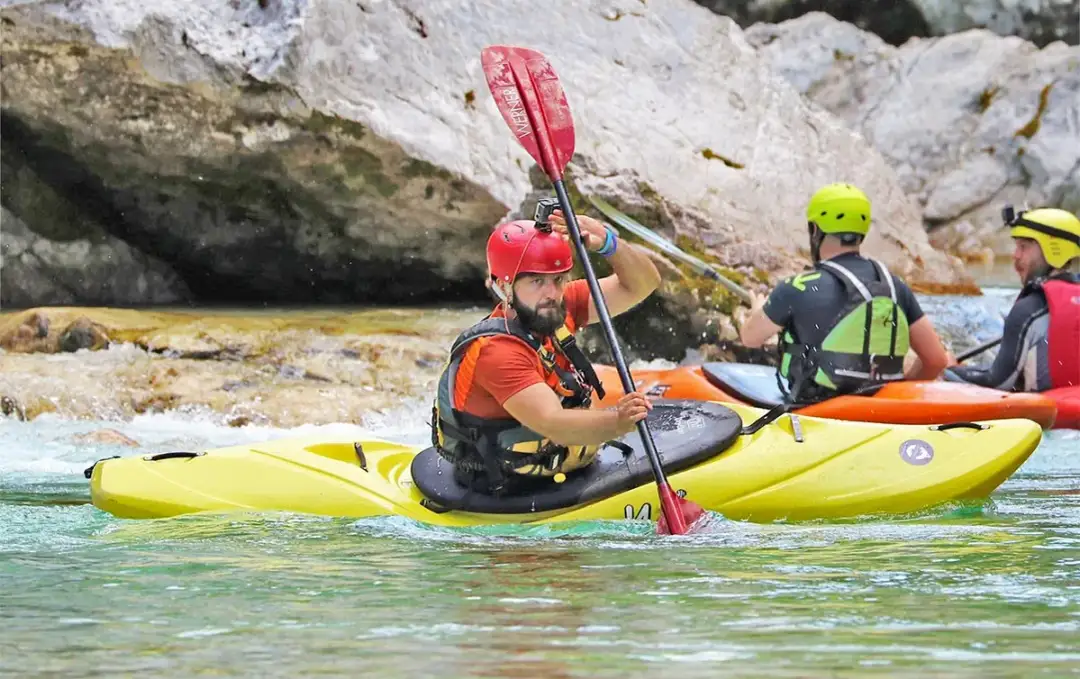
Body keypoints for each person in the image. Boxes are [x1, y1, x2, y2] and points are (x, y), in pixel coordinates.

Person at [431, 206, 662, 496]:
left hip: (560, 465)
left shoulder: (559, 307)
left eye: (558, 279)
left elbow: (643, 285)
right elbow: (555, 424)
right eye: (537, 281)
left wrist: (606, 240)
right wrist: (618, 421)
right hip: (508, 487)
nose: (551, 293)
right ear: (504, 286)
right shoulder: (497, 352)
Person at [739, 183, 950, 403]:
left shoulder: (797, 287)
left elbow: (750, 338)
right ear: (862, 232)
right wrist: (900, 392)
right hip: (882, 412)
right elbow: (935, 360)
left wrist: (757, 311)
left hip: (815, 410)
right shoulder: (895, 286)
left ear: (815, 230)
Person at [946, 207, 1080, 391]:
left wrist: (950, 369)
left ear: (1053, 250)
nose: (1015, 255)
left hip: (1048, 416)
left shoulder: (1029, 309)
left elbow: (998, 382)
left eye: (1023, 247)